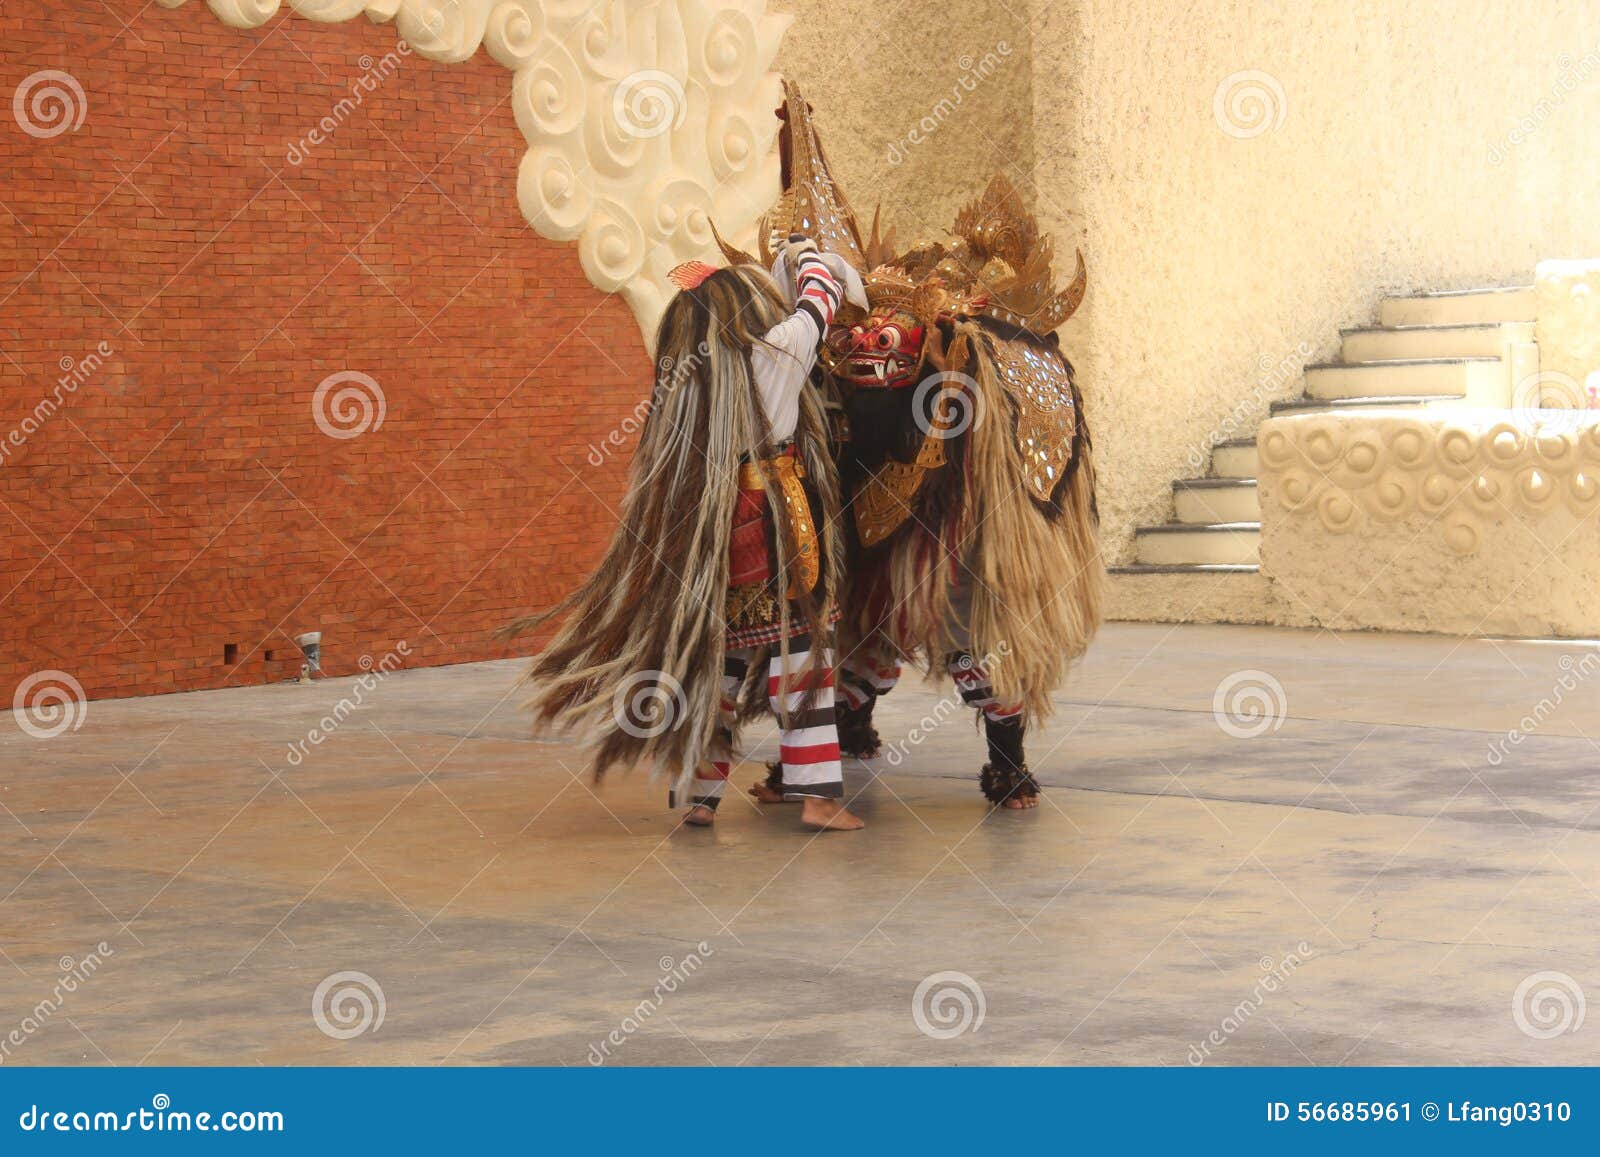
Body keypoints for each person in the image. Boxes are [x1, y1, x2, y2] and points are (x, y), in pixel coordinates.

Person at [505, 235, 867, 832]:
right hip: (773, 519)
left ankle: (699, 797)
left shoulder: (683, 377)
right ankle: (818, 799)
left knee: (716, 663)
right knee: (800, 657)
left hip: (708, 530)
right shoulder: (774, 353)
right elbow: (822, 298)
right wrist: (804, 251)